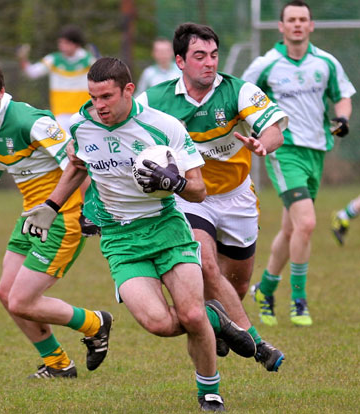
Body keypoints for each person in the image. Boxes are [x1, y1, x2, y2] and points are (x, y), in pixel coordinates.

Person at [20, 56, 259, 412]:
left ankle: (209, 392)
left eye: (106, 97)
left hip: (167, 227)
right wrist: (51, 206)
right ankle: (217, 317)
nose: (98, 105)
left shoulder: (165, 126)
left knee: (190, 316)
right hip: (120, 239)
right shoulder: (80, 124)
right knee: (159, 323)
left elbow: (198, 190)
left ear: (128, 90)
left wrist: (173, 181)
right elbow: (77, 166)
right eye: (93, 97)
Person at [0, 58, 112, 379]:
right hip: (30, 218)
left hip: (62, 218)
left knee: (21, 300)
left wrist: (89, 210)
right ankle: (59, 364)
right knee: (6, 294)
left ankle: (95, 323)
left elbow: (77, 164)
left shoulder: (32, 121)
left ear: (1, 92)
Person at [137, 23, 287, 372]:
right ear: (180, 61)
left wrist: (264, 143)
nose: (209, 63)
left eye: (214, 55)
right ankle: (258, 344)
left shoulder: (238, 91)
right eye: (199, 56)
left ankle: (218, 322)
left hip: (237, 198)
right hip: (190, 197)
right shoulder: (154, 100)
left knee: (239, 282)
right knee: (205, 264)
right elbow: (121, 124)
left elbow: (274, 128)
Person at [242, 0, 356, 327]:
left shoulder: (326, 63)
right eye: (290, 19)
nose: (296, 24)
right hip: (284, 150)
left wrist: (342, 118)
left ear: (311, 25)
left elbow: (344, 95)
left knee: (292, 228)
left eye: (302, 19)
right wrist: (261, 130)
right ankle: (299, 300)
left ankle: (264, 289)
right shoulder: (267, 64)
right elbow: (241, 96)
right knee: (306, 223)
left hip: (317, 151)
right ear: (280, 26)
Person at [17, 24, 95, 131]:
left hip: (83, 112)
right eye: (60, 43)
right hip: (61, 113)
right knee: (64, 145)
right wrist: (22, 59)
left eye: (66, 43)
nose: (62, 46)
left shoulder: (88, 60)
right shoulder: (54, 60)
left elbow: (103, 76)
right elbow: (32, 72)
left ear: (76, 44)